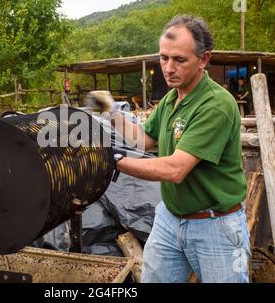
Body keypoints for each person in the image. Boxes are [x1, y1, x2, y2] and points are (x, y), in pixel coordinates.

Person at [86, 15, 249, 283]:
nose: (168, 68)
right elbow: (145, 141)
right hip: (170, 218)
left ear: (204, 59)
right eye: (163, 58)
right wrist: (111, 111)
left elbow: (175, 169)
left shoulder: (215, 104)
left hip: (215, 226)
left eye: (179, 60)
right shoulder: (172, 98)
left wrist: (113, 161)